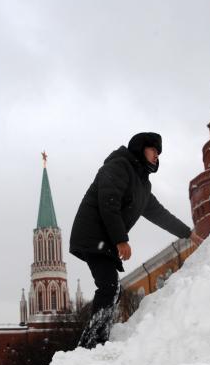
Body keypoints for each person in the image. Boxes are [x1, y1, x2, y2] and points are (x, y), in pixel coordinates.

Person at [70, 132, 192, 349]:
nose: (156, 156)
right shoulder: (119, 166)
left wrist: (188, 233)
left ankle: (98, 339)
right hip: (93, 235)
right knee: (108, 286)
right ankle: (90, 344)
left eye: (158, 153)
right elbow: (109, 202)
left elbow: (159, 214)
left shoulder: (142, 185)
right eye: (153, 150)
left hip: (104, 240)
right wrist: (121, 240)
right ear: (141, 148)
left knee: (112, 288)